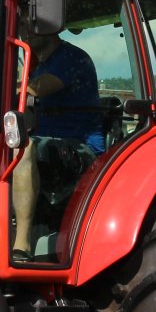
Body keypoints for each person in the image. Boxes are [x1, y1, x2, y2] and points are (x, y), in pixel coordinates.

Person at [12, 23, 105, 260]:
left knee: (23, 148)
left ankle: (21, 246)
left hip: (81, 151)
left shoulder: (72, 58)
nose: (25, 31)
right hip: (50, 146)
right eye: (22, 25)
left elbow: (33, 90)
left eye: (31, 23)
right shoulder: (38, 64)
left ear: (50, 25)